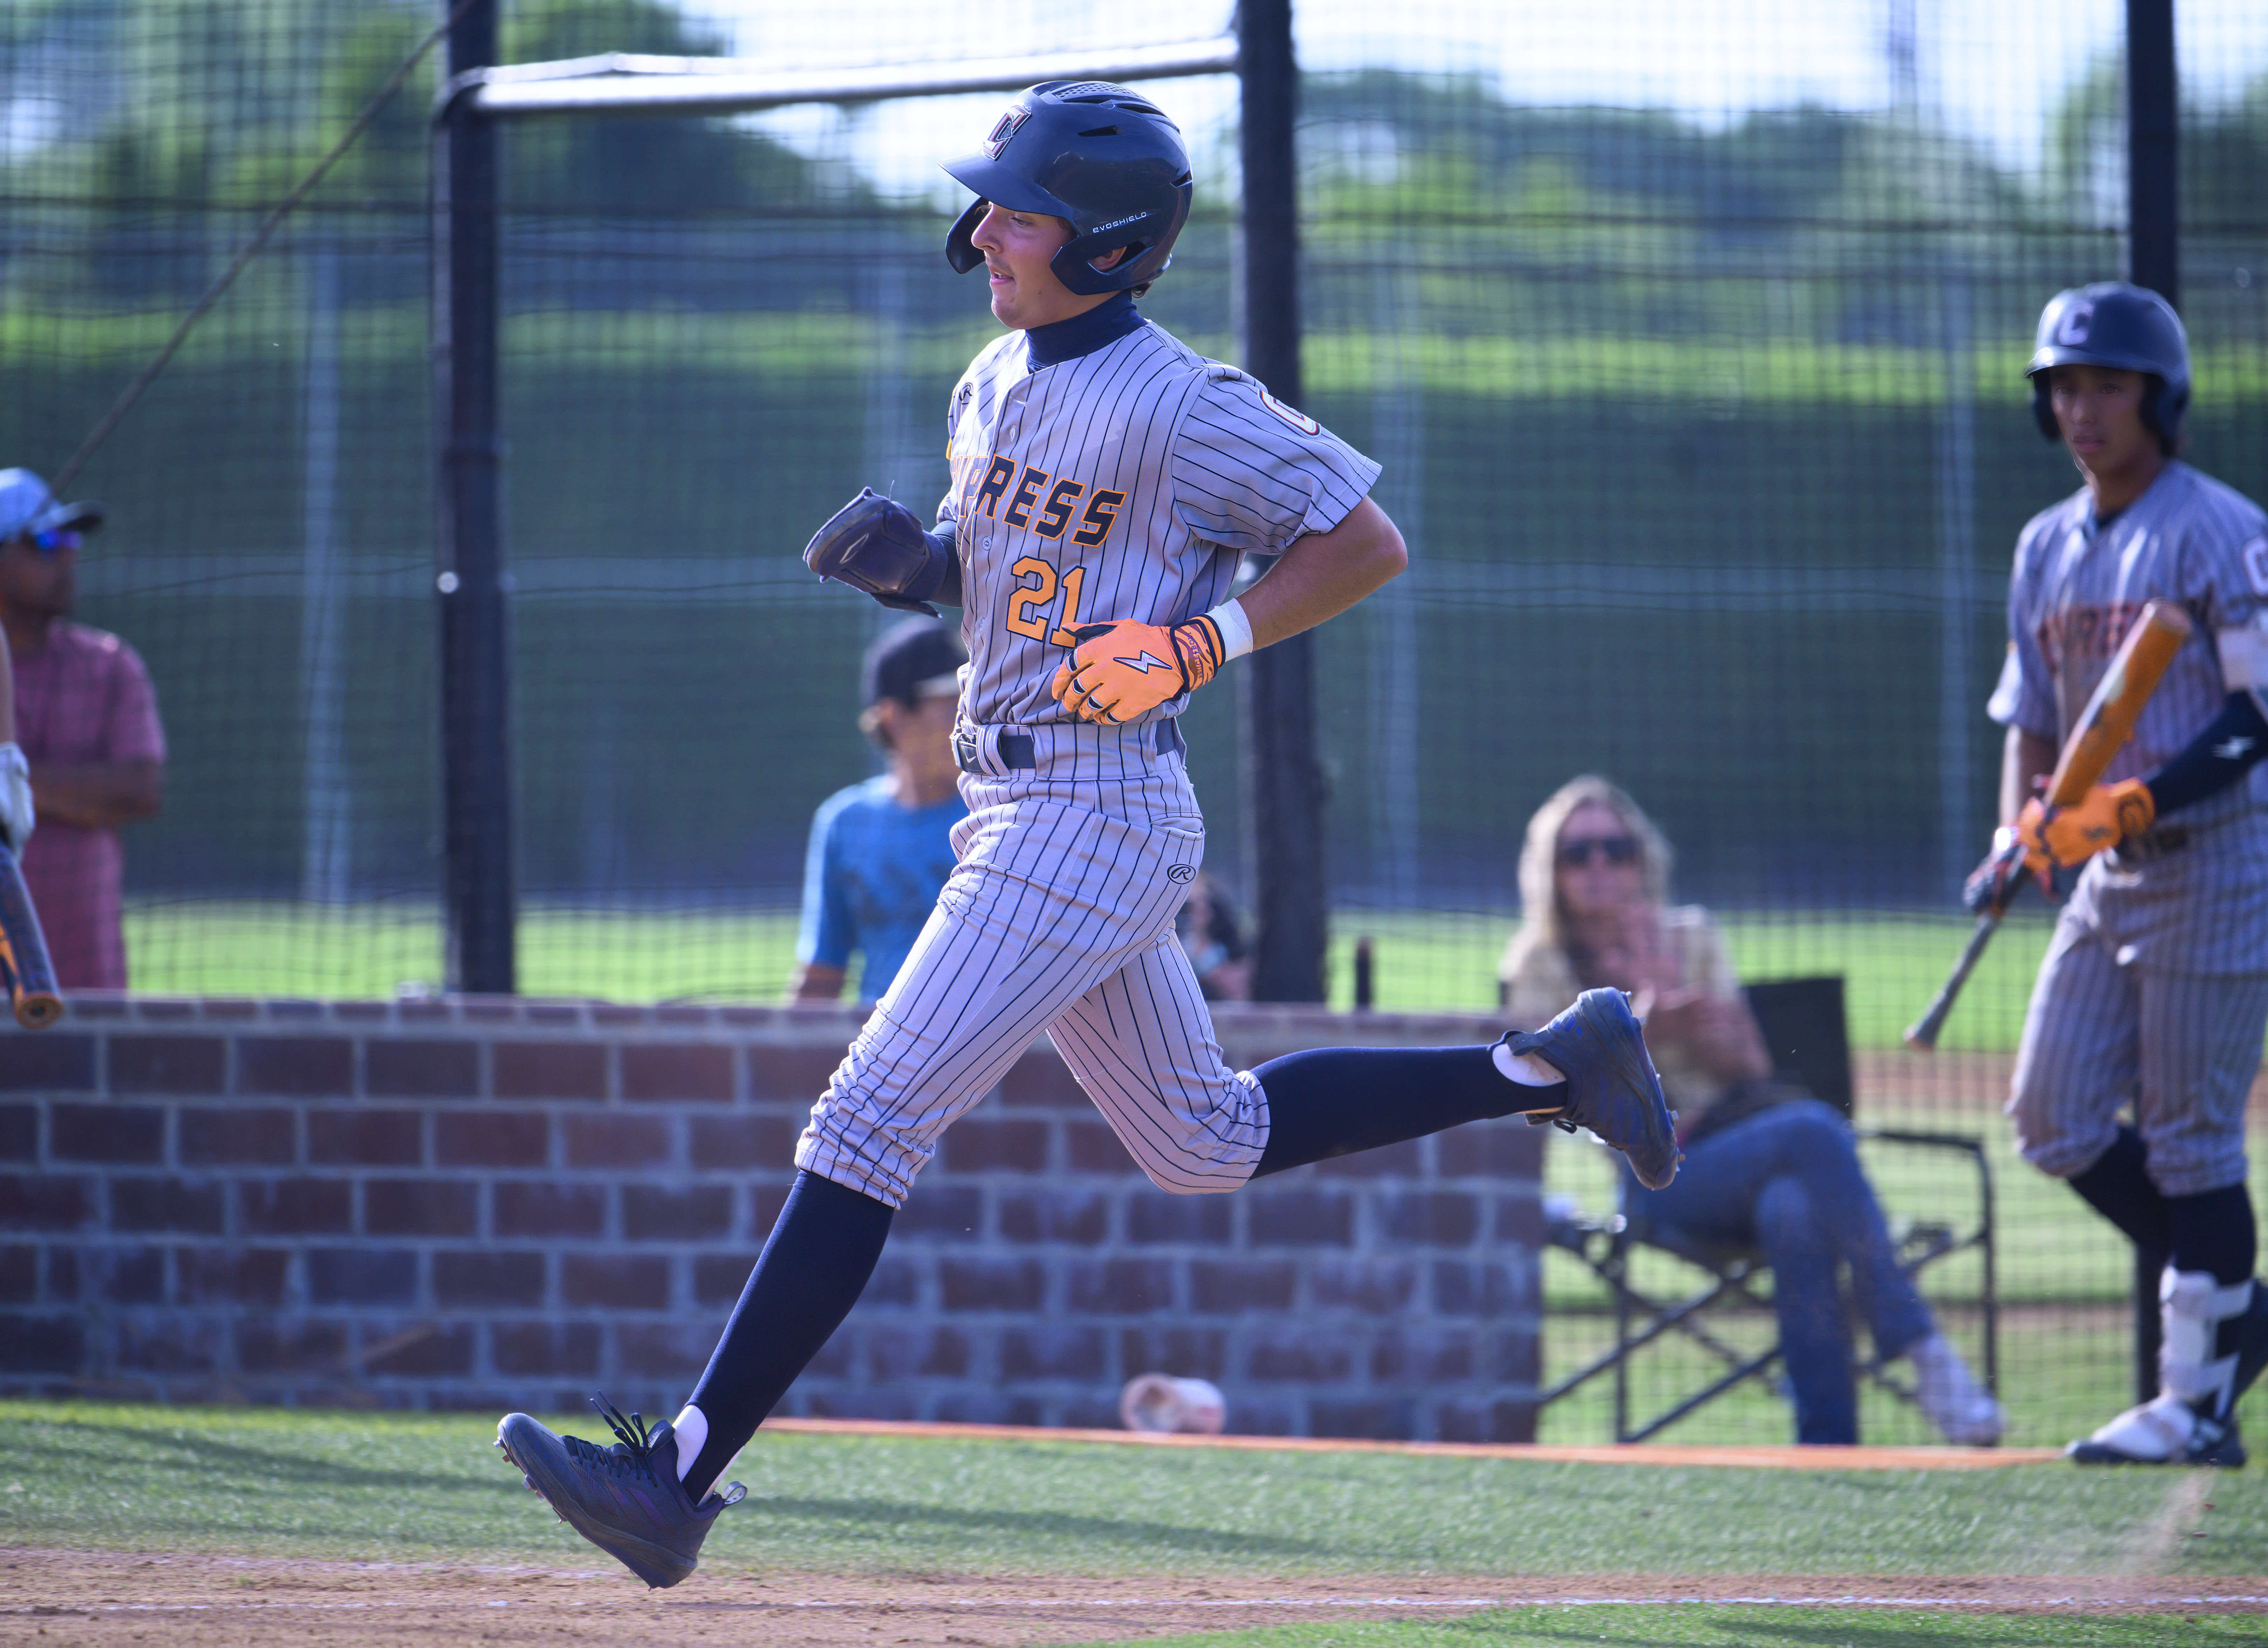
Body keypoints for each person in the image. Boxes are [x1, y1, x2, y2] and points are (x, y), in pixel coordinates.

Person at [496, 81, 1681, 1590]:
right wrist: (915, 569)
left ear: (1110, 246)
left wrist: (1201, 646)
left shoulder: (1182, 402)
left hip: (1092, 805)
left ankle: (675, 1475)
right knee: (1207, 1140)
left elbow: (1362, 542)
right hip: (1023, 797)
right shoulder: (989, 380)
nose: (988, 226)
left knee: (864, 1119)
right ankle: (1549, 1064)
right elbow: (1014, 582)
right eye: (992, 201)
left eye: (1022, 209)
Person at [1976, 283, 2268, 1466]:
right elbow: (2031, 717)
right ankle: (2235, 1310)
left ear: (2159, 396)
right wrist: (2016, 833)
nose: (2083, 408)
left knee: (2187, 1136)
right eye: (2064, 388)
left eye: (2106, 385)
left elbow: (2254, 716)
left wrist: (2133, 801)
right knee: (2046, 1112)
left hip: (2212, 862)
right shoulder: (2044, 544)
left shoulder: (2216, 529)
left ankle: (2193, 1399)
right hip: (2100, 876)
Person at [1501, 775, 2003, 1447]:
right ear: (1550, 869)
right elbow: (1545, 1089)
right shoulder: (1538, 964)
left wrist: (1689, 1013)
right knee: (1815, 1128)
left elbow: (1753, 1071)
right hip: (1653, 1177)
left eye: (1615, 849)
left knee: (1793, 1209)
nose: (1599, 867)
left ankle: (1828, 1453)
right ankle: (1919, 1347)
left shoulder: (1693, 934)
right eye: (1579, 852)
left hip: (1738, 1150)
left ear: (1640, 858)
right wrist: (1643, 1032)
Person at [0, 469, 164, 990]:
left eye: (71, 540)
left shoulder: (110, 664)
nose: (68, 557)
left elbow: (138, 789)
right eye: (45, 542)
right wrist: (73, 789)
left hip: (86, 979)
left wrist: (14, 786)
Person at [788, 618, 968, 1004]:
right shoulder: (844, 822)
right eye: (950, 701)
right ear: (892, 717)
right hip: (879, 1050)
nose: (969, 716)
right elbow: (822, 972)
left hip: (989, 1047)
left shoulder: (1000, 817)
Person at [1174, 872, 1251, 1002]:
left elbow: (1239, 989)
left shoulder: (1229, 945)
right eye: (1192, 905)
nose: (1197, 910)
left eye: (1203, 904)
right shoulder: (1180, 941)